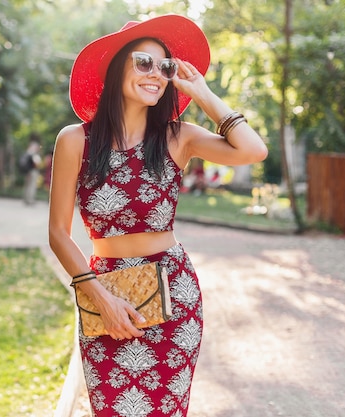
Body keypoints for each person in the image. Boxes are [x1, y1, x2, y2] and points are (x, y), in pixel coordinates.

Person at [48, 14, 267, 416]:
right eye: (142, 63)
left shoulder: (177, 136)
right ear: (117, 69)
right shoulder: (75, 140)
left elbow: (253, 151)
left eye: (165, 67)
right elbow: (59, 235)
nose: (156, 74)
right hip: (104, 288)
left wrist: (202, 92)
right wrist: (100, 297)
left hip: (174, 294)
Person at [20, 134, 42, 205]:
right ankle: (30, 200)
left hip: (27, 171)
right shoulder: (33, 154)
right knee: (32, 186)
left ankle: (26, 199)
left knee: (27, 186)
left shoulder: (27, 153)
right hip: (32, 171)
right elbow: (37, 163)